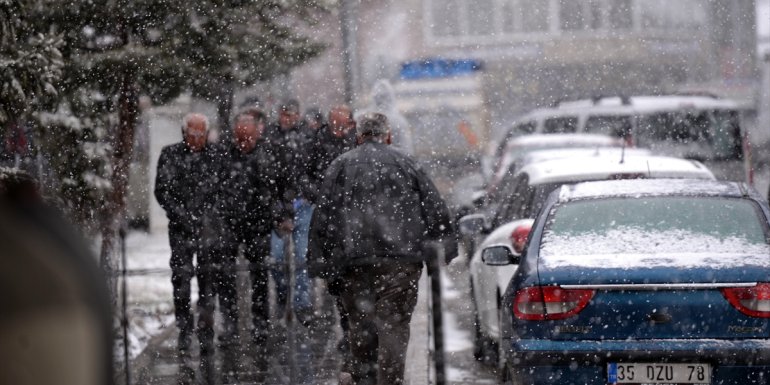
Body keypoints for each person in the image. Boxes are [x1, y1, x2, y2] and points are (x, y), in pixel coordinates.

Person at [308, 112, 456, 385]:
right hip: (400, 262)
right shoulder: (406, 162)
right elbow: (434, 206)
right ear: (388, 136)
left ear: (358, 137)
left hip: (355, 262)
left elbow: (323, 215)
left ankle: (363, 377)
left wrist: (321, 260)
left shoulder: (341, 165)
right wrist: (444, 247)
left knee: (360, 329)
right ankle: (390, 380)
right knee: (394, 329)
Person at [209, 109, 293, 380]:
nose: (244, 142)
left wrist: (283, 214)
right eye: (239, 137)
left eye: (248, 137)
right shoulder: (223, 153)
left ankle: (260, 323)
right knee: (226, 276)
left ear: (258, 132)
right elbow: (213, 186)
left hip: (258, 221)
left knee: (259, 275)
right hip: (229, 223)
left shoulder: (271, 152)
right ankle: (231, 323)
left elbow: (283, 186)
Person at [154, 113, 216, 382]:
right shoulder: (170, 155)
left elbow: (223, 189)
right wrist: (182, 216)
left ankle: (205, 330)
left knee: (207, 279)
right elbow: (162, 191)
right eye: (192, 134)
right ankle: (183, 329)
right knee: (180, 278)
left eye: (200, 134)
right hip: (180, 228)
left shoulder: (216, 156)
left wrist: (207, 218)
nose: (196, 139)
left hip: (208, 230)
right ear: (184, 133)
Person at [267, 98, 315, 322]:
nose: (288, 119)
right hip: (278, 205)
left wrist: (309, 190)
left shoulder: (309, 137)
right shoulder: (270, 137)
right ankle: (283, 292)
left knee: (303, 255)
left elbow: (315, 167)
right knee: (276, 257)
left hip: (303, 203)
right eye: (285, 114)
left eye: (292, 114)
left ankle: (302, 302)